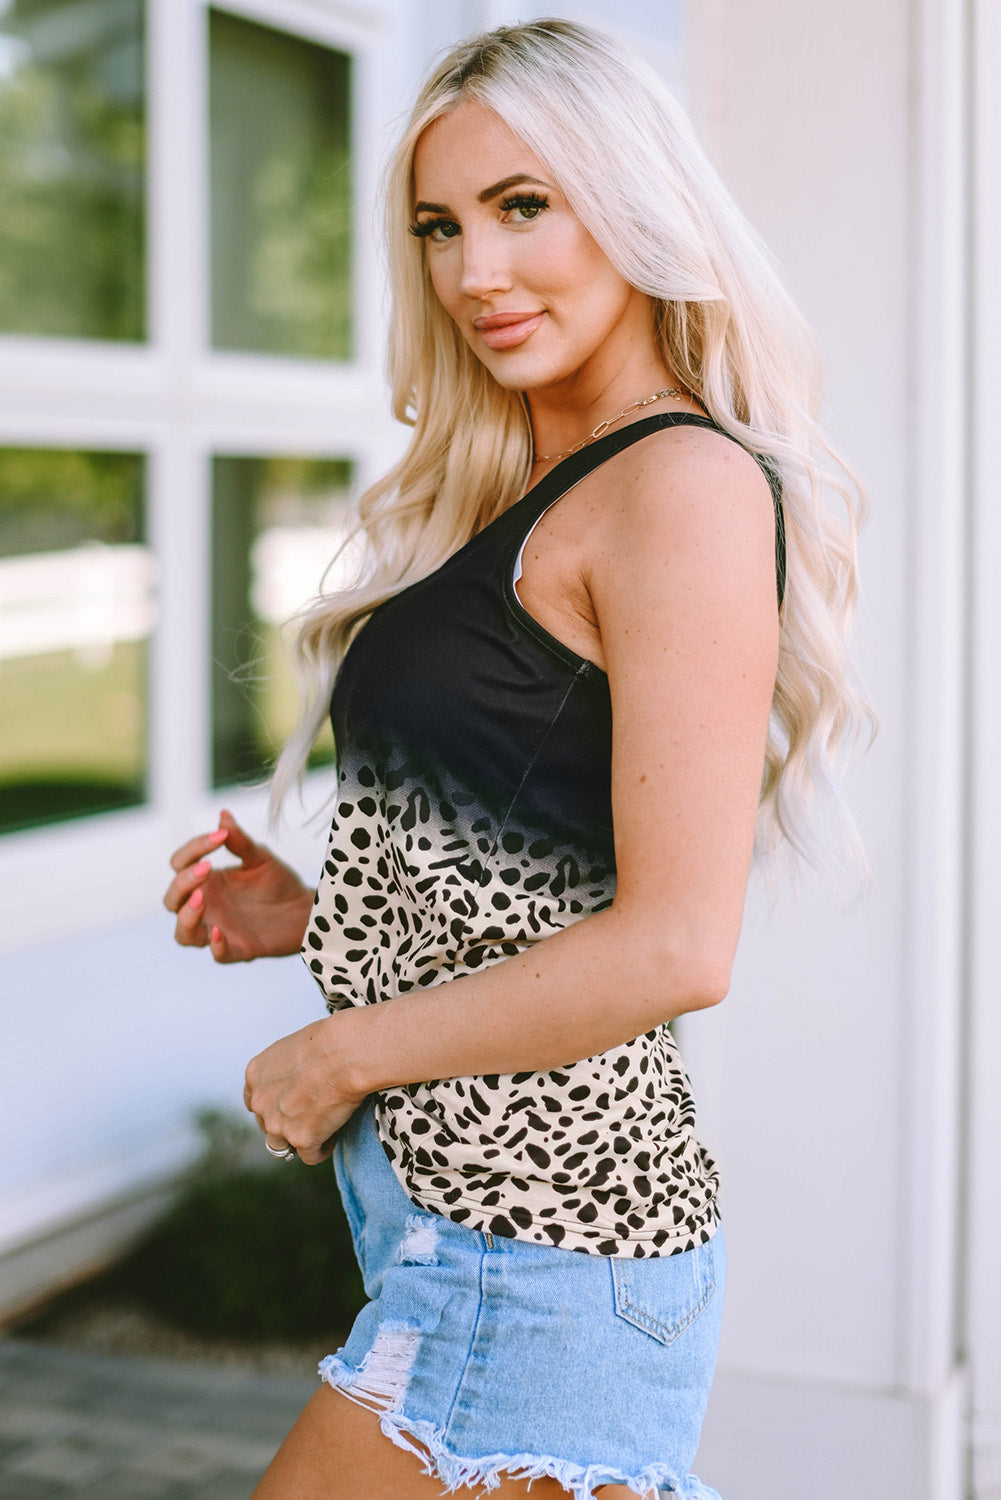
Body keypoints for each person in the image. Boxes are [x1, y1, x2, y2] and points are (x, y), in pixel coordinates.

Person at [163, 19, 870, 1500]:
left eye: (523, 205)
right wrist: (324, 919)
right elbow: (541, 886)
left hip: (542, 1255)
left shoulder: (677, 485)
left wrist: (337, 1052)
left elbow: (674, 946)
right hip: (466, 1239)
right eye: (440, 226)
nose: (476, 270)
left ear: (635, 207)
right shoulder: (539, 486)